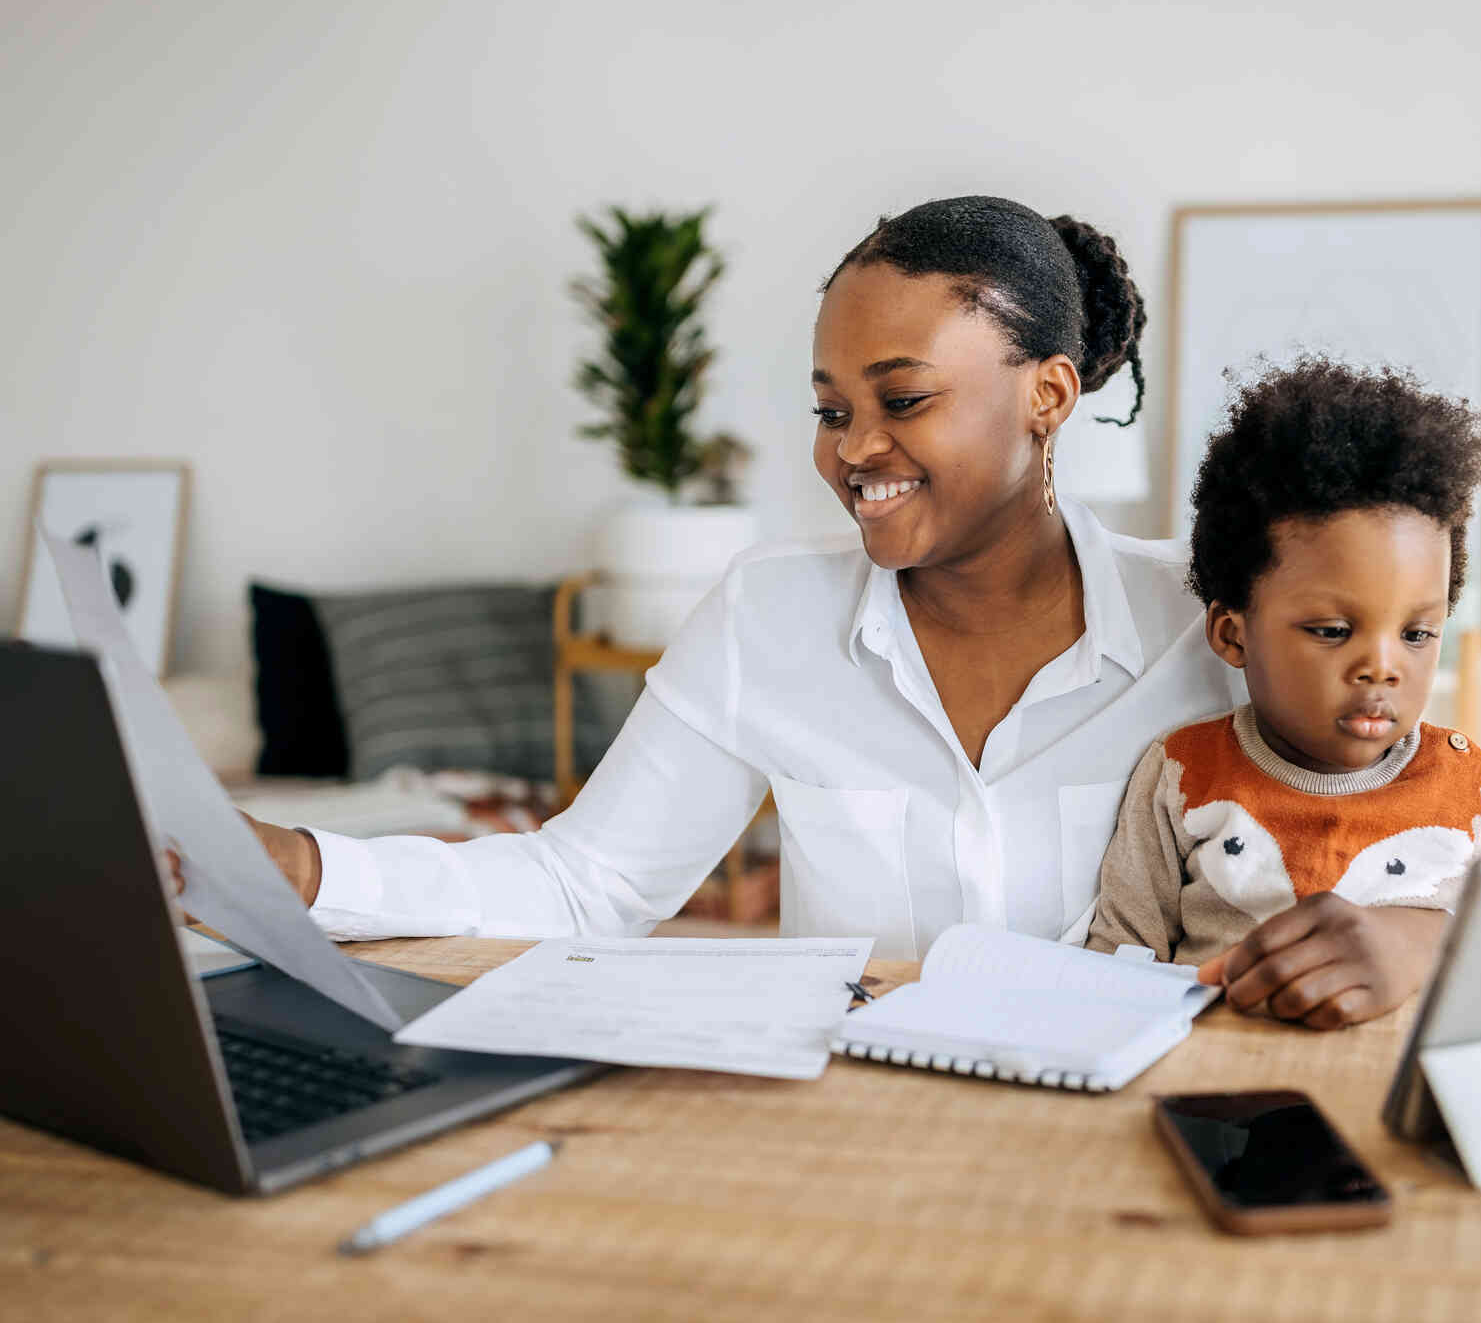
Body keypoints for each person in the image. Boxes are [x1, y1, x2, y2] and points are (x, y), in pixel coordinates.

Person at [219, 195, 1246, 965]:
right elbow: (590, 881)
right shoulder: (772, 613)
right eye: (831, 410)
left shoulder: (1207, 630)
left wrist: (1401, 933)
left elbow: (1372, 823)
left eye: (903, 397)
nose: (855, 449)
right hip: (841, 1156)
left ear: (1048, 395)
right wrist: (306, 866)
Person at [1085, 357, 1481, 1028]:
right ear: (1233, 634)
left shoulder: (1475, 790)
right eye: (1332, 630)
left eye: (1417, 633)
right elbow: (1114, 971)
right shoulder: (1181, 777)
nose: (1382, 667)